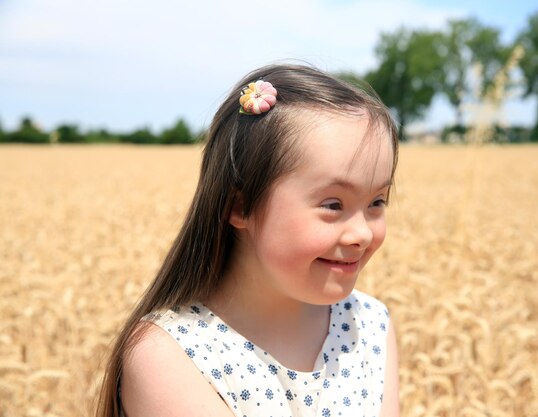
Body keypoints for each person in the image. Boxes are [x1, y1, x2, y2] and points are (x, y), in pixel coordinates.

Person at [97, 64, 400, 417]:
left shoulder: (370, 325)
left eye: (377, 202)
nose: (362, 234)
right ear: (240, 206)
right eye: (333, 205)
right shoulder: (169, 354)